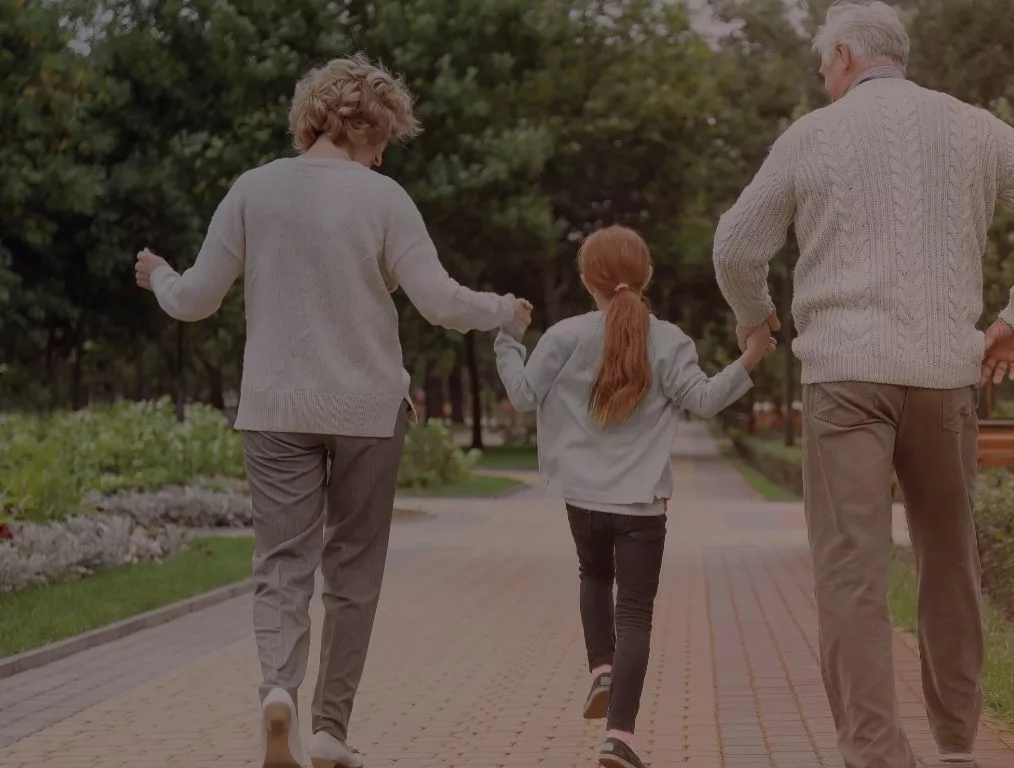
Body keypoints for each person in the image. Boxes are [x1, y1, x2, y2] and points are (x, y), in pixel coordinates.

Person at [711, 2, 1014, 766]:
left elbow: (736, 245)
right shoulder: (972, 126)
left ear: (847, 55)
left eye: (824, 65)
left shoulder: (812, 136)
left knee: (850, 573)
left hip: (845, 380)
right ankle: (957, 748)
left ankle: (877, 756)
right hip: (944, 378)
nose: (824, 80)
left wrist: (754, 320)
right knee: (948, 561)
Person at [133, 55, 533, 768]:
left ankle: (277, 692)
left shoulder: (254, 190)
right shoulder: (384, 201)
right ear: (368, 128)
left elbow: (195, 300)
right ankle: (328, 730)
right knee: (353, 572)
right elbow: (440, 303)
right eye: (385, 139)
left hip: (275, 407)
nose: (384, 154)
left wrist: (159, 274)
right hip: (368, 410)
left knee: (282, 564)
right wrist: (506, 311)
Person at [494, 225, 775, 768]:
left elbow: (523, 396)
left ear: (585, 280)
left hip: (582, 501)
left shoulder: (565, 335)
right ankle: (619, 738)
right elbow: (706, 400)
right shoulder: (669, 339)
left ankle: (601, 669)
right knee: (636, 617)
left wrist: (507, 339)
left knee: (593, 577)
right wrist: (753, 354)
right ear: (647, 276)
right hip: (642, 507)